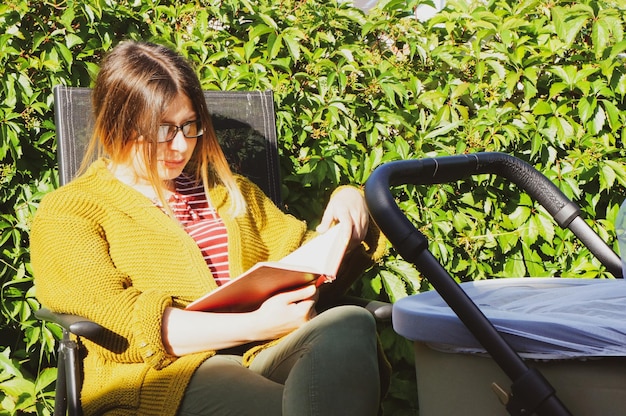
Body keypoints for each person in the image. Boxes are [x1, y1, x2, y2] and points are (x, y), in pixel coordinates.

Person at [30, 40, 387, 416]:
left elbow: (310, 258)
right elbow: (126, 323)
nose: (181, 145)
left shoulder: (227, 192)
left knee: (350, 324)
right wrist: (255, 324)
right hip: (161, 375)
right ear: (117, 124)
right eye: (163, 129)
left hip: (261, 354)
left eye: (189, 125)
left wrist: (352, 202)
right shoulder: (70, 211)